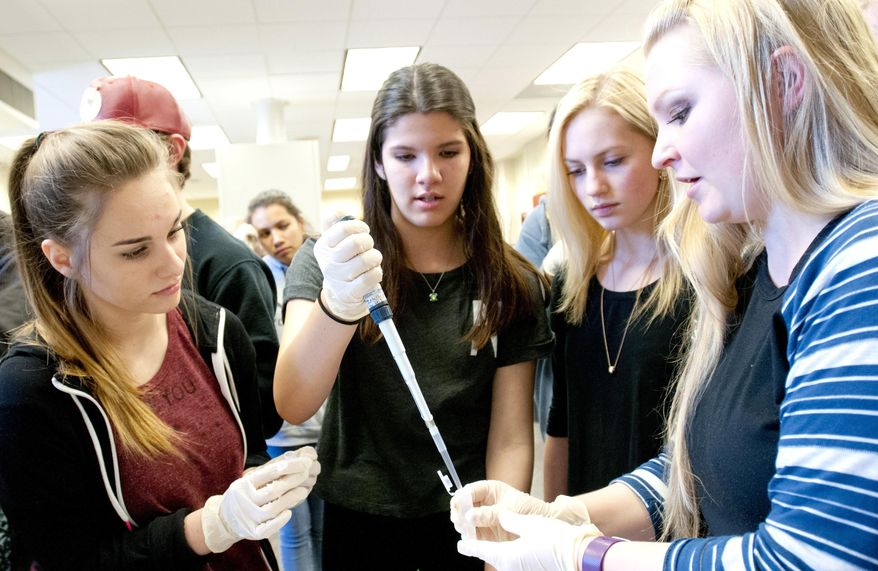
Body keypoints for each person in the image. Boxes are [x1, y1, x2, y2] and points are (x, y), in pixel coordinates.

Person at [451, 0, 878, 569]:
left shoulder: (860, 265)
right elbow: (696, 466)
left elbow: (810, 558)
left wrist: (586, 553)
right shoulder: (763, 270)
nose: (662, 152)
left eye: (680, 112)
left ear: (783, 83)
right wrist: (561, 515)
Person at [0, 122, 321, 570]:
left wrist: (262, 484)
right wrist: (207, 528)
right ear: (63, 258)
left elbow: (246, 448)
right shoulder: (31, 390)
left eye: (173, 231)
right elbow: (66, 558)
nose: (173, 263)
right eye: (135, 251)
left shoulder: (216, 331)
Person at [274, 62, 554, 570]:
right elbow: (293, 402)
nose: (429, 175)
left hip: (467, 521)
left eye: (448, 152)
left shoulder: (511, 281)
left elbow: (512, 435)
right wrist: (339, 302)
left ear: (473, 156)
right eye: (405, 155)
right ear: (378, 163)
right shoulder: (328, 261)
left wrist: (499, 545)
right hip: (360, 520)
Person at [82, 76, 282, 439]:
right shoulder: (92, 261)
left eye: (122, 148)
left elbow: (263, 408)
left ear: (172, 152)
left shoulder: (227, 265)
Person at [542, 68, 688, 503]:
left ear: (659, 150)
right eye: (575, 170)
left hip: (675, 533)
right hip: (585, 532)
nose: (594, 188)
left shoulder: (708, 281)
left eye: (612, 162)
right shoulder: (572, 284)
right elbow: (561, 427)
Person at [248, 190, 324, 571]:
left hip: (328, 429)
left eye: (282, 225)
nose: (276, 238)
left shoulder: (328, 272)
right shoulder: (259, 282)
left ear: (300, 222)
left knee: (326, 532)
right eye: (264, 233)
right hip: (282, 435)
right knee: (295, 533)